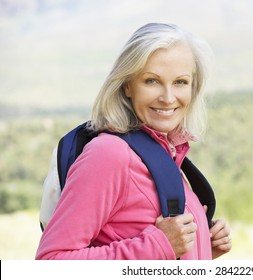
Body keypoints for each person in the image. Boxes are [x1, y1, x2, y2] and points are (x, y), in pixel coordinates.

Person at [35, 23, 232, 260]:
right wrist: (158, 245)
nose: (168, 98)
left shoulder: (164, 155)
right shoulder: (108, 154)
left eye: (180, 82)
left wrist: (202, 248)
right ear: (128, 85)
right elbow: (51, 260)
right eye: (152, 81)